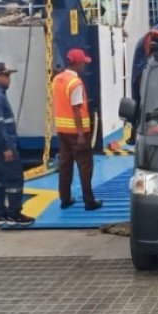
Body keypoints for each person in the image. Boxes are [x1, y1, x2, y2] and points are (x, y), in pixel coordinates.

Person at [0, 62, 34, 229]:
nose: (9, 79)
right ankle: (14, 214)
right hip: (4, 146)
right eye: (6, 76)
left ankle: (0, 215)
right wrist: (7, 148)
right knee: (14, 180)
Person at [54, 48, 103, 210]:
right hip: (76, 132)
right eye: (83, 63)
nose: (84, 66)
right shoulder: (75, 83)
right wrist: (81, 134)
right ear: (78, 63)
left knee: (65, 164)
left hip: (62, 130)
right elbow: (76, 109)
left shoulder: (58, 79)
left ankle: (65, 198)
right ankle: (89, 201)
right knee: (85, 165)